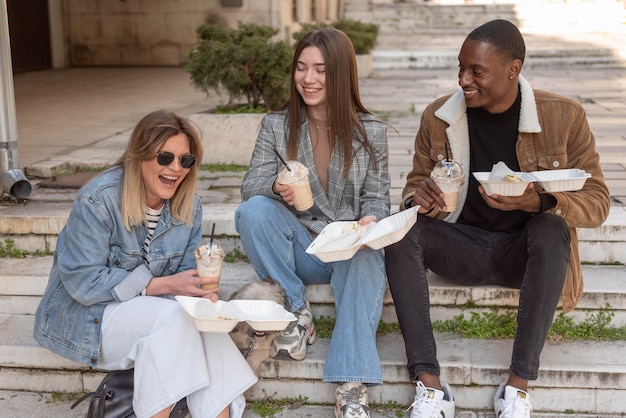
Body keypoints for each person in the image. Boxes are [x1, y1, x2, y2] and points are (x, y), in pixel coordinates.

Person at [384, 19, 610, 418]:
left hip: (523, 255)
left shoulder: (565, 117)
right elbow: (415, 184)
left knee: (551, 226)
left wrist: (537, 202)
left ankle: (517, 388)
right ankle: (430, 386)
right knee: (402, 230)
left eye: (476, 71)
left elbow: (598, 202)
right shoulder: (438, 116)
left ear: (513, 69)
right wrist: (417, 198)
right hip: (461, 248)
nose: (463, 80)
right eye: (460, 68)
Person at [33, 110, 258, 418]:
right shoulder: (98, 201)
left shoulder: (188, 205)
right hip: (90, 318)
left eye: (186, 161)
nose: (176, 169)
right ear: (139, 155)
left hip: (153, 314)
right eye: (165, 158)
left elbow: (182, 281)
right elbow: (83, 282)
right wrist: (161, 285)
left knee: (202, 325)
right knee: (175, 321)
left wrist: (199, 295)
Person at [235, 27, 390, 418]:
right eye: (301, 68)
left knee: (370, 253)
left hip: (345, 249)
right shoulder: (276, 125)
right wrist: (276, 184)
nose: (308, 79)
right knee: (253, 211)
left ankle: (351, 383)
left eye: (321, 70)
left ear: (341, 74)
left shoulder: (370, 132)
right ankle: (297, 310)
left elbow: (377, 197)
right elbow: (251, 185)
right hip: (298, 246)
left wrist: (371, 219)